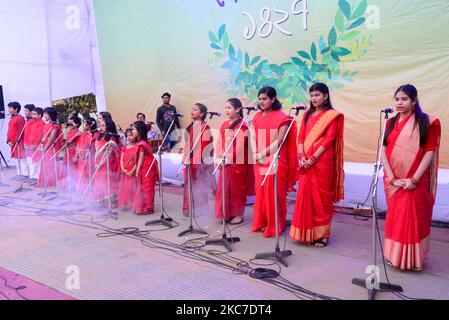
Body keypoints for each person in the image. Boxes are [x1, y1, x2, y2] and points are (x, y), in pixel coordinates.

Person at [382, 84, 441, 271]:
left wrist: (413, 180)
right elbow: (383, 150)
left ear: (414, 101)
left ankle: (414, 260)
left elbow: (429, 152)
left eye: (404, 99)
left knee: (414, 219)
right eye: (397, 99)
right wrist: (392, 179)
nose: (399, 103)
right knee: (397, 218)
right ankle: (395, 256)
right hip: (395, 181)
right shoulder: (390, 122)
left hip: (415, 181)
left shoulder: (425, 123)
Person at [290, 83, 345, 247]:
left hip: (322, 161)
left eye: (317, 95)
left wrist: (312, 158)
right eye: (312, 95)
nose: (314, 98)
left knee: (321, 198)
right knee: (306, 196)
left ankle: (322, 234)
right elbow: (300, 137)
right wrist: (300, 156)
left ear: (326, 96)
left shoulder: (332, 116)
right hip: (305, 161)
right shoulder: (307, 114)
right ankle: (305, 232)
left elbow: (329, 139)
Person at [250, 87, 297, 238]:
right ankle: (263, 222)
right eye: (260, 99)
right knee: (261, 193)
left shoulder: (282, 117)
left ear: (273, 99)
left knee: (274, 194)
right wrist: (255, 153)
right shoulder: (257, 116)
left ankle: (276, 224)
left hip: (275, 159)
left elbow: (280, 140)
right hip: (259, 159)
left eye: (264, 99)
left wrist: (263, 153)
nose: (261, 102)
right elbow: (252, 135)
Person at [215, 98, 251, 225]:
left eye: (229, 108)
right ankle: (226, 212)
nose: (227, 110)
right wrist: (219, 156)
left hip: (237, 163)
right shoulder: (224, 125)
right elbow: (219, 142)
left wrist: (229, 158)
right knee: (224, 188)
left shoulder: (243, 126)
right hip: (224, 161)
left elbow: (240, 147)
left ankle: (237, 214)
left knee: (236, 189)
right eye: (226, 108)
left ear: (238, 109)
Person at [182, 103, 214, 216]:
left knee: (199, 186)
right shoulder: (191, 127)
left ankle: (200, 210)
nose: (192, 111)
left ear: (202, 114)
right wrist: (185, 157)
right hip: (189, 161)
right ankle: (189, 208)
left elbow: (204, 147)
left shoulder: (205, 127)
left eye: (195, 110)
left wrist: (195, 161)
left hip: (199, 163)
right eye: (192, 109)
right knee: (189, 185)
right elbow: (187, 144)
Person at [132, 121, 159, 215]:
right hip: (146, 165)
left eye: (134, 129)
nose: (132, 131)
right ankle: (145, 206)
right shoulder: (142, 142)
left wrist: (137, 169)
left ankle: (148, 207)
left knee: (147, 186)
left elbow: (141, 158)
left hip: (146, 166)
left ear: (139, 131)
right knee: (145, 186)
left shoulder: (141, 143)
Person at [93, 118, 121, 206]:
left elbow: (109, 153)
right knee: (99, 181)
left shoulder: (111, 137)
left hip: (107, 163)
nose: (101, 127)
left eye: (103, 126)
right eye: (100, 125)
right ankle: (102, 201)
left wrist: (101, 164)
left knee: (107, 181)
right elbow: (97, 149)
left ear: (108, 127)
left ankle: (111, 202)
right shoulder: (99, 136)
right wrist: (95, 162)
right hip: (98, 161)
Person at [37, 107, 63, 188]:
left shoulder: (55, 125)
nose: (44, 115)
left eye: (46, 114)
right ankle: (45, 182)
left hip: (51, 148)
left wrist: (45, 148)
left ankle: (51, 182)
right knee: (44, 164)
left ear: (50, 115)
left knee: (50, 165)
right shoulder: (47, 124)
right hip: (46, 146)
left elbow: (51, 138)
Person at [76, 118, 98, 193]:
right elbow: (78, 145)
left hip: (90, 157)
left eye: (85, 123)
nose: (83, 125)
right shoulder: (81, 134)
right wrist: (79, 154)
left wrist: (87, 155)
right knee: (81, 173)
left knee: (89, 173)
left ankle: (90, 190)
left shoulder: (94, 134)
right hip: (81, 157)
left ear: (90, 125)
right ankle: (82, 189)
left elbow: (94, 147)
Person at [117, 128, 138, 210]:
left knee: (132, 187)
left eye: (131, 135)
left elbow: (137, 161)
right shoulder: (124, 148)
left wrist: (132, 171)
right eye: (127, 136)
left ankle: (132, 204)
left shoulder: (137, 147)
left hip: (132, 172)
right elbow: (121, 160)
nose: (128, 137)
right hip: (125, 171)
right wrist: (123, 169)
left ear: (136, 136)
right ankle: (125, 203)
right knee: (125, 187)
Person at [6, 102, 27, 178]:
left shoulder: (20, 118)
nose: (9, 110)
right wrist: (8, 141)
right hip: (12, 143)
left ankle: (24, 175)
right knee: (16, 159)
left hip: (19, 142)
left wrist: (13, 141)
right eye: (9, 108)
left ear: (16, 109)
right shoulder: (12, 119)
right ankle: (19, 174)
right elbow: (9, 131)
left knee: (22, 159)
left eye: (10, 108)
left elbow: (20, 131)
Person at [25, 107, 45, 184]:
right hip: (29, 146)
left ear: (40, 115)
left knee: (37, 163)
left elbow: (40, 136)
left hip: (37, 147)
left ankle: (37, 178)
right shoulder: (30, 122)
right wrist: (26, 144)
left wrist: (35, 145)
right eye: (32, 113)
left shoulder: (42, 123)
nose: (32, 115)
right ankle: (32, 176)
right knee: (30, 162)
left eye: (34, 114)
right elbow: (27, 133)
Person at [22, 104, 36, 179]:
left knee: (32, 161)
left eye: (26, 111)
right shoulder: (28, 121)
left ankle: (33, 177)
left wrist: (31, 144)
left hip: (31, 145)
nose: (24, 112)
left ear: (31, 112)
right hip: (27, 144)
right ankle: (31, 176)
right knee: (29, 161)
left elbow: (33, 134)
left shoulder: (33, 121)